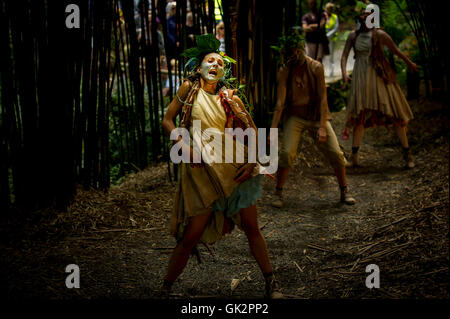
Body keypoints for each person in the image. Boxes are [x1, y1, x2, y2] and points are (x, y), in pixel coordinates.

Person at [160, 34, 283, 299]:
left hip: (236, 171)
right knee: (190, 236)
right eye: (210, 60)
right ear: (198, 67)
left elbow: (252, 133)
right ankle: (165, 288)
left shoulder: (231, 99)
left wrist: (251, 163)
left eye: (220, 63)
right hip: (202, 173)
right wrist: (184, 147)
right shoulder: (188, 91)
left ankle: (271, 283)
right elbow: (168, 121)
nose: (216, 64)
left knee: (252, 229)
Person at [269, 31, 356, 208]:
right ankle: (278, 193)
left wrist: (323, 126)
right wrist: (272, 129)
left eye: (295, 51)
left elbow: (323, 98)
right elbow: (280, 102)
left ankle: (344, 191)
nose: (293, 56)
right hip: (295, 116)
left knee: (336, 154)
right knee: (287, 154)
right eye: (289, 53)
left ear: (302, 49)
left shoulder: (316, 67)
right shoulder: (285, 71)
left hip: (316, 116)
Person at [340, 7, 419, 168]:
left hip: (379, 76)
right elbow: (344, 56)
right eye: (363, 14)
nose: (365, 17)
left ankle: (407, 155)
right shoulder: (353, 36)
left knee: (394, 113)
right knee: (360, 115)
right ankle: (354, 158)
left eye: (368, 15)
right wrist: (343, 73)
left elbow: (395, 50)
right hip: (361, 77)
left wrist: (409, 63)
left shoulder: (379, 35)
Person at [325, 2, 339, 76]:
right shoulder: (323, 16)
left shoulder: (335, 17)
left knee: (331, 55)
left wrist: (328, 35)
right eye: (328, 9)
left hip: (331, 38)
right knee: (322, 54)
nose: (329, 10)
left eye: (331, 9)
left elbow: (336, 28)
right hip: (323, 38)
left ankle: (331, 71)